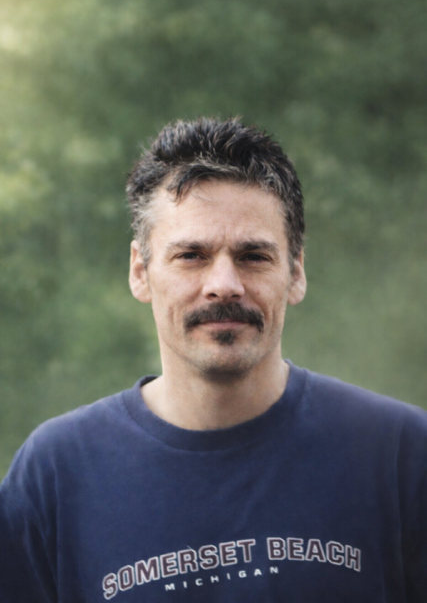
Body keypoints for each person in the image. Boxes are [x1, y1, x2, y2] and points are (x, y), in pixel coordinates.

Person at [1, 118, 426, 602]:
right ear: (140, 271)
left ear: (296, 272)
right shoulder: (56, 475)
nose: (224, 284)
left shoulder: (400, 455)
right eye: (191, 255)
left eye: (253, 256)